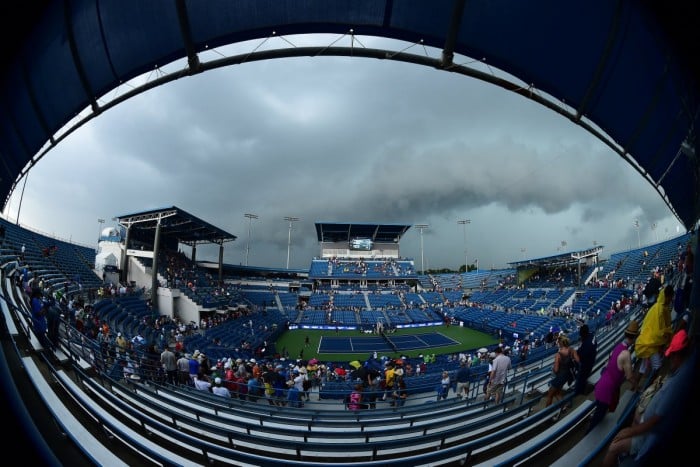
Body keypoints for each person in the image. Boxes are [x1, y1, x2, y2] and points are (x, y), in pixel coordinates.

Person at [602, 328, 693, 466]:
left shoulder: (676, 384)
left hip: (649, 434)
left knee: (614, 445)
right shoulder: (679, 374)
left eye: (672, 356)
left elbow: (655, 420)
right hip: (647, 426)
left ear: (678, 355)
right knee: (631, 416)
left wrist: (630, 431)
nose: (670, 359)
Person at [587, 320, 640, 433]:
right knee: (598, 417)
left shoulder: (619, 346)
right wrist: (637, 386)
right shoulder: (626, 354)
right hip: (607, 389)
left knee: (600, 413)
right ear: (635, 337)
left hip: (603, 383)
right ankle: (589, 436)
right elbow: (630, 376)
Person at [635, 284, 674, 376]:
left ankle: (635, 387)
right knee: (657, 366)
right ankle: (651, 385)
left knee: (643, 368)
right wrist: (666, 339)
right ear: (667, 296)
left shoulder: (658, 307)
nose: (671, 300)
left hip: (646, 339)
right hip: (650, 342)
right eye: (670, 297)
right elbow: (659, 331)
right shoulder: (660, 309)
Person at [545, 334, 578, 409]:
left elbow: (556, 370)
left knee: (550, 395)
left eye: (558, 341)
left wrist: (553, 368)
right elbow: (578, 361)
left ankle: (545, 413)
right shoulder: (572, 350)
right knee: (557, 392)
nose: (557, 343)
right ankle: (564, 405)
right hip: (567, 376)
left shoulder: (558, 354)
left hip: (560, 377)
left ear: (561, 343)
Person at [574, 324, 597, 396]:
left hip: (586, 363)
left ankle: (578, 392)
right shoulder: (592, 335)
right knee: (584, 376)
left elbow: (579, 356)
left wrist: (574, 352)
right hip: (591, 359)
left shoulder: (587, 345)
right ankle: (582, 387)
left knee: (581, 377)